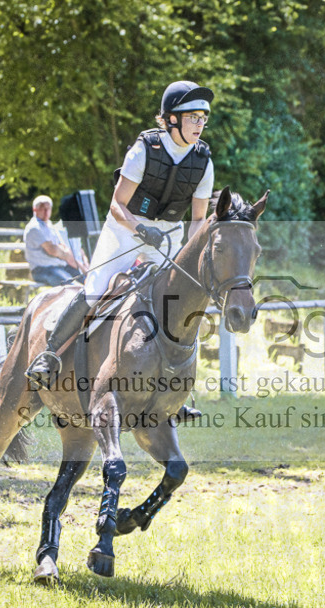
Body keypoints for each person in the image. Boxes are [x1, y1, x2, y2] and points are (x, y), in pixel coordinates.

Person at [25, 80, 216, 385]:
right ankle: (49, 354)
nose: (200, 124)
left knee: (175, 299)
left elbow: (197, 219)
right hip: (126, 227)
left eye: (203, 118)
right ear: (172, 119)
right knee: (97, 287)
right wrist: (140, 228)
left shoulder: (203, 162)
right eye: (193, 117)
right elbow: (117, 205)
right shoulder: (144, 150)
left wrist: (192, 255)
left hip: (168, 234)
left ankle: (175, 384)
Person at [24, 195, 89, 286]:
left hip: (60, 266)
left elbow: (62, 246)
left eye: (48, 208)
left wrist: (61, 251)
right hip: (42, 269)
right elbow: (53, 250)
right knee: (73, 287)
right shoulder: (34, 227)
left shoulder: (49, 225)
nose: (46, 212)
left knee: (88, 281)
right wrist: (64, 253)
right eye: (43, 209)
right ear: (35, 209)